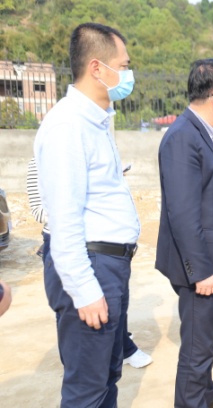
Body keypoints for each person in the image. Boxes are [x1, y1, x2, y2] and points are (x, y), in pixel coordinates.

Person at [34, 22, 140, 407]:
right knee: (87, 390)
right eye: (123, 66)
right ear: (97, 68)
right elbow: (64, 219)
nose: (128, 74)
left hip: (109, 265)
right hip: (92, 267)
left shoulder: (95, 120)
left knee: (107, 377)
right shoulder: (68, 126)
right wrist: (84, 290)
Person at [156, 58, 213, 408]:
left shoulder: (202, 133)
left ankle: (207, 395)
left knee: (206, 342)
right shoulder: (183, 137)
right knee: (196, 350)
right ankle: (193, 400)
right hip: (203, 269)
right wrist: (201, 269)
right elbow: (182, 213)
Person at [26, 157, 152, 369]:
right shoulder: (41, 159)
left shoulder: (89, 155)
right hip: (72, 245)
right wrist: (87, 200)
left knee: (115, 306)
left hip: (106, 246)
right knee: (76, 317)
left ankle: (123, 347)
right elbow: (38, 211)